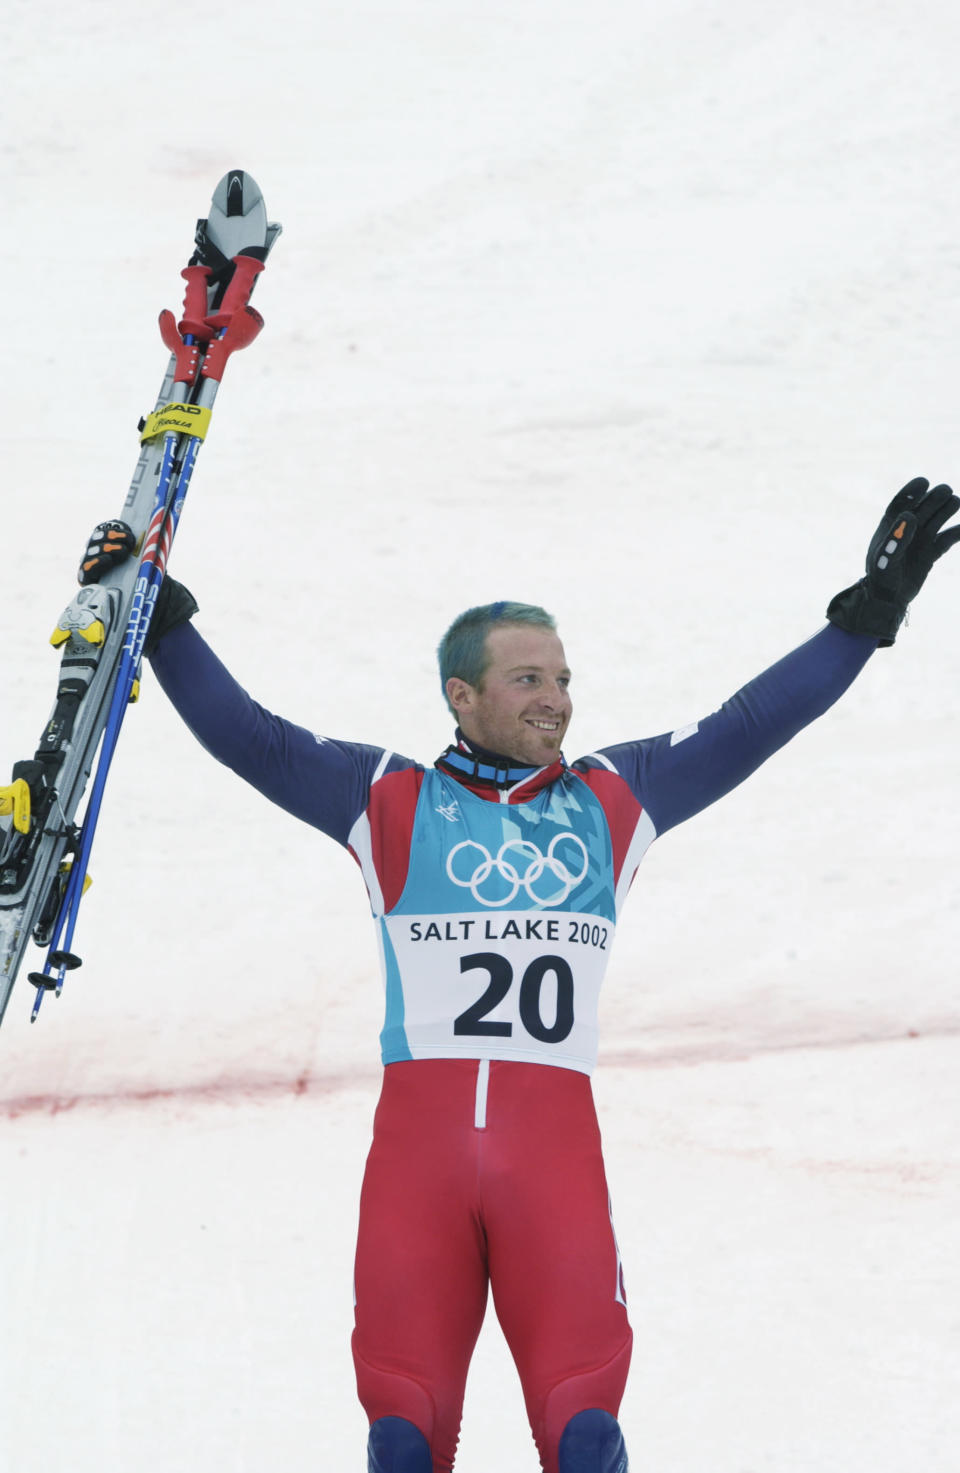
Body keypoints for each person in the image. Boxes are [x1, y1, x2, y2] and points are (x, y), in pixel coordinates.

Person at [79, 477, 959, 1473]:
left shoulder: (618, 796)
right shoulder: (385, 798)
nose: (558, 699)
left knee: (584, 1430)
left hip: (552, 1161)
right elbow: (252, 737)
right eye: (528, 680)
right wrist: (164, 620)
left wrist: (865, 619)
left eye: (562, 678)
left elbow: (750, 724)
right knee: (403, 1432)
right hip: (422, 1165)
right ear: (461, 696)